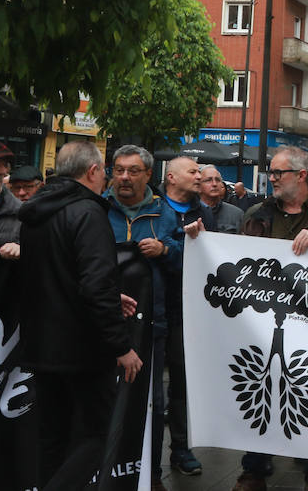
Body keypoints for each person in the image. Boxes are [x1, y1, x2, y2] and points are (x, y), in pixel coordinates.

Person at [17, 141, 142, 491]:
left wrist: (105, 294)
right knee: (95, 435)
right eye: (104, 170)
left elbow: (56, 273)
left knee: (52, 437)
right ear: (91, 171)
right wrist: (121, 345)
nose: (107, 178)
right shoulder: (88, 212)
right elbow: (96, 283)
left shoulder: (37, 212)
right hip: (82, 347)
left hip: (42, 344)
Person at [232, 147, 308, 491]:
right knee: (258, 387)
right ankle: (253, 469)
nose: (271, 179)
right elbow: (237, 257)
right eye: (271, 173)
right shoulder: (257, 212)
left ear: (300, 175)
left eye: (277, 173)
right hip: (262, 318)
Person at [107, 144, 181, 491]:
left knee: (151, 402)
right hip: (102, 321)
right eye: (119, 169)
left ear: (148, 175)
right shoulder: (98, 208)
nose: (124, 177)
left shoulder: (164, 214)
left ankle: (149, 473)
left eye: (133, 171)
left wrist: (165, 249)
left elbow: (185, 259)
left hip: (152, 321)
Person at [159, 155, 210, 477]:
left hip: (185, 311)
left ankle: (180, 447)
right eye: (193, 171)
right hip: (152, 306)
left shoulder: (202, 212)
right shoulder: (155, 209)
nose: (200, 176)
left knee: (180, 383)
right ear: (172, 178)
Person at [200, 164, 243, 234]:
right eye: (208, 180)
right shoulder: (190, 212)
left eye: (218, 180)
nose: (214, 184)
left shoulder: (236, 214)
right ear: (198, 186)